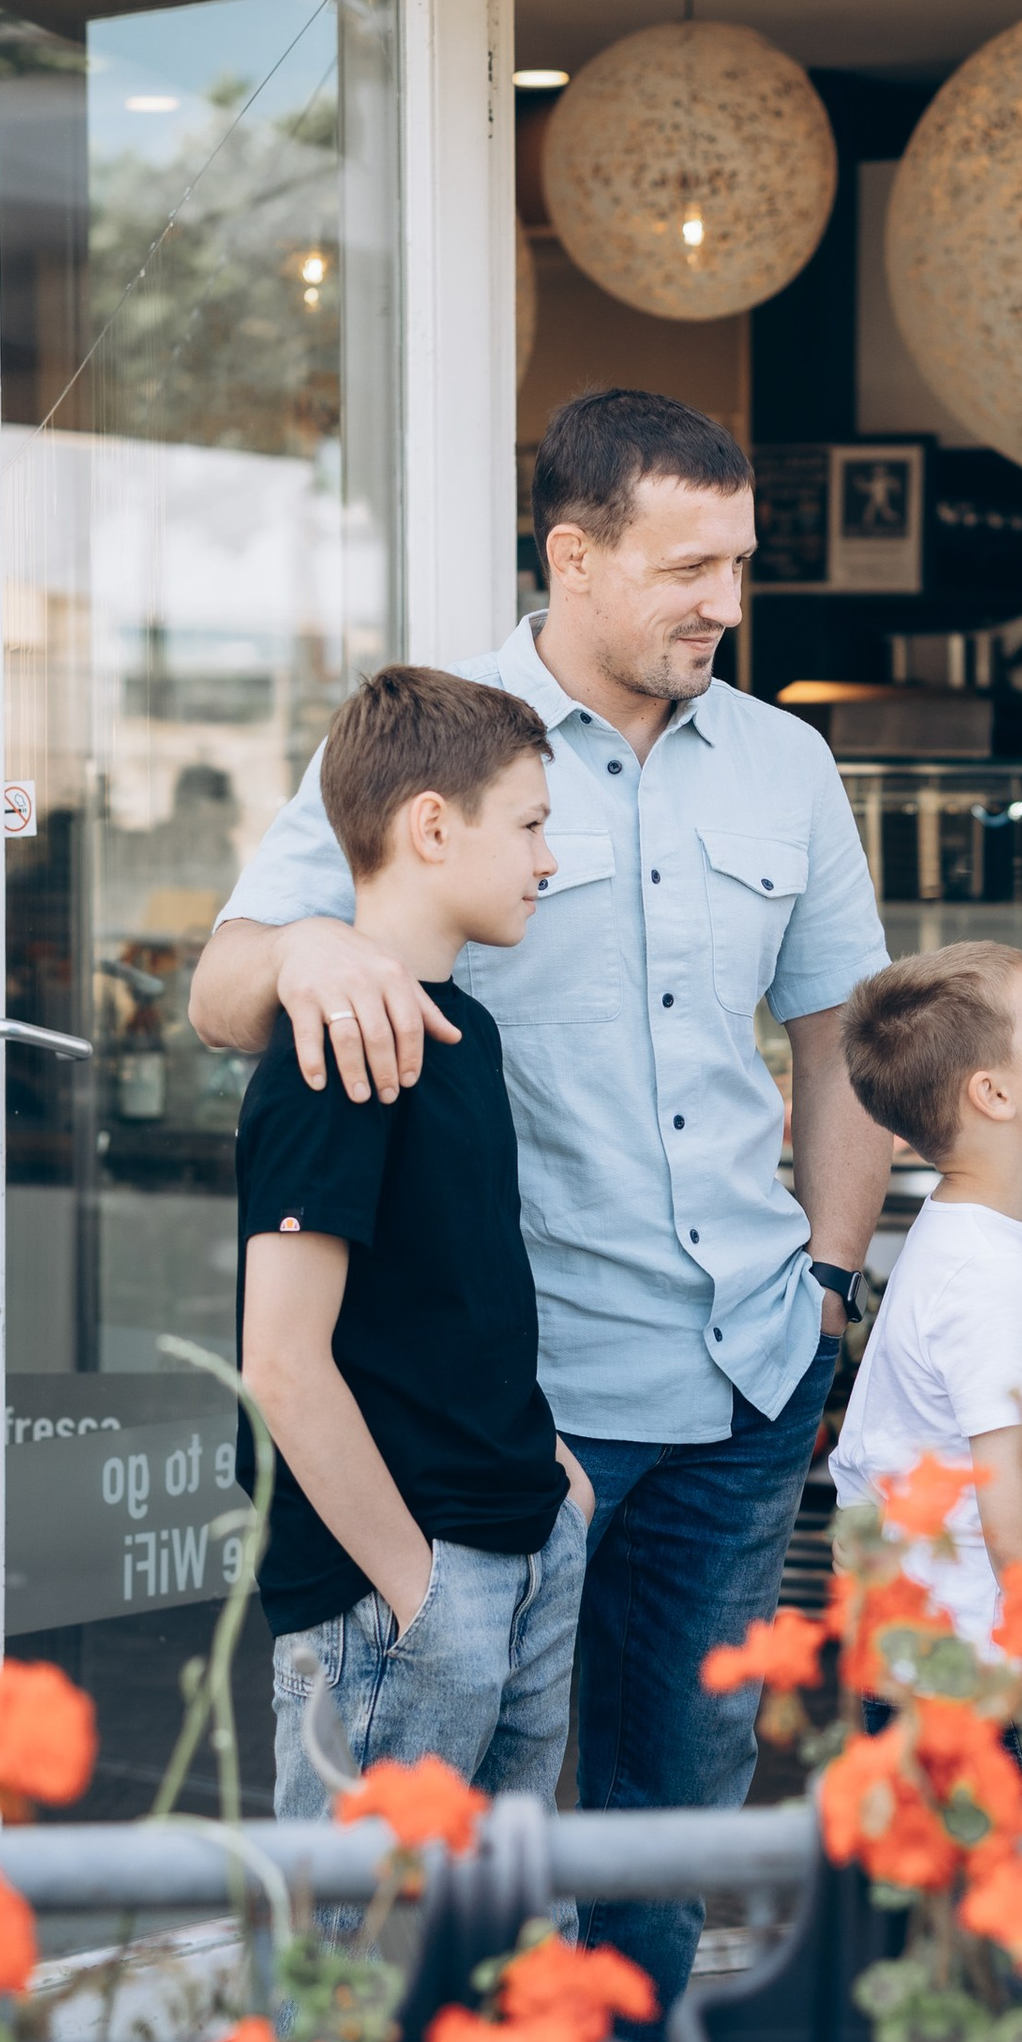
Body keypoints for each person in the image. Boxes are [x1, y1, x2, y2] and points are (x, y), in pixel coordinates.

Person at [189, 390, 895, 2017]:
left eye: (740, 562)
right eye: (687, 565)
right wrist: (304, 952)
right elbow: (233, 977)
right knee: (465, 1837)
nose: (725, 600)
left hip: (745, 1383)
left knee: (672, 1813)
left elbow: (840, 1035)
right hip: (528, 1410)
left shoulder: (786, 761)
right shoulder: (448, 748)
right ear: (573, 557)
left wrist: (836, 1288)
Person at [237, 666, 591, 1817]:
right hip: (398, 1589)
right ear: (432, 827)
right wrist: (415, 1588)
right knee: (356, 1968)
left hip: (521, 1542)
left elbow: (466, 1288)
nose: (549, 859)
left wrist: (556, 1487)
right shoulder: (328, 1055)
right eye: (532, 825)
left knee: (494, 1951)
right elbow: (282, 1361)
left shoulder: (465, 1029)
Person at [831, 946, 1022, 1644]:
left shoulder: (982, 1228)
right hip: (993, 1678)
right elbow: (1019, 1537)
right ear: (994, 1095)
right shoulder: (992, 1279)